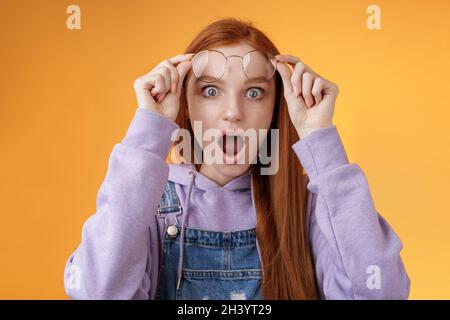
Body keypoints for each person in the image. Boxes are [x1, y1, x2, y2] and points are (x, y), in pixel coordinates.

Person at [64, 17, 410, 300]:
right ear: (185, 103)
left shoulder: (308, 208)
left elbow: (382, 294)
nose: (233, 113)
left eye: (255, 92)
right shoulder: (150, 206)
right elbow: (98, 291)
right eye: (211, 90)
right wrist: (148, 132)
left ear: (277, 108)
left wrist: (321, 139)